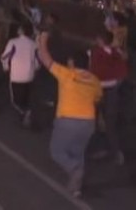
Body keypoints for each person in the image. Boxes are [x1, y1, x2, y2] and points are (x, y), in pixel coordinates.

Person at [36, 30, 102, 198]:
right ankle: (75, 187)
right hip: (88, 122)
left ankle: (74, 169)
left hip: (68, 120)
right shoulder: (95, 80)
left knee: (56, 151)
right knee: (77, 153)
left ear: (72, 62)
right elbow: (97, 99)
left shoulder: (67, 74)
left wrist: (42, 40)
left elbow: (45, 58)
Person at [88, 30, 128, 165]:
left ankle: (95, 148)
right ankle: (115, 151)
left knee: (93, 120)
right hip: (112, 91)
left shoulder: (96, 53)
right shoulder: (117, 54)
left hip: (98, 90)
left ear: (100, 40)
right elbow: (122, 73)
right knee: (110, 123)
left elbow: (92, 71)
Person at [1, 20, 38, 127]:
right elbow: (37, 60)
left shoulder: (13, 42)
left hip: (16, 76)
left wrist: (6, 67)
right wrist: (34, 69)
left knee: (15, 100)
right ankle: (27, 115)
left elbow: (4, 56)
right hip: (29, 76)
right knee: (26, 98)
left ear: (21, 30)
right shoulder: (33, 44)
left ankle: (25, 114)